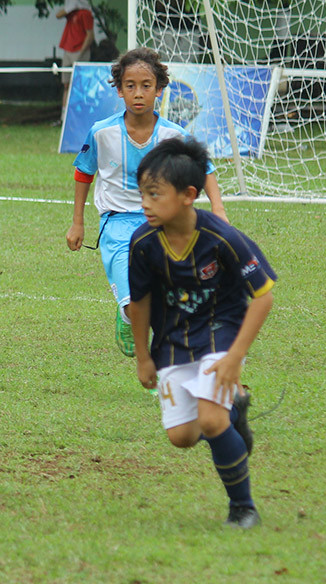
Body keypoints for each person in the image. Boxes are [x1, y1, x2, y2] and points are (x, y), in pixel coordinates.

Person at [128, 136, 276, 529]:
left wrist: (234, 358)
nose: (145, 203)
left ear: (189, 195)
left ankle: (243, 508)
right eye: (142, 192)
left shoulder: (222, 237)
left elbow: (262, 296)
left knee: (211, 422)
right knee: (181, 436)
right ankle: (234, 410)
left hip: (221, 331)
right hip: (173, 340)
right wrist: (143, 355)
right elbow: (139, 302)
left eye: (155, 194)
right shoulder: (142, 243)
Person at [66, 47, 227, 359]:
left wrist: (218, 209)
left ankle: (166, 359)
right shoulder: (101, 133)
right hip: (116, 223)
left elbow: (204, 168)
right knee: (134, 302)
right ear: (119, 89)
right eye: (130, 86)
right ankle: (128, 317)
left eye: (146, 86)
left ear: (159, 90)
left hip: (162, 223)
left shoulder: (174, 136)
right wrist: (78, 222)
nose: (138, 93)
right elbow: (83, 172)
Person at [56, 0, 94, 121]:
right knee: (66, 84)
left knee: (79, 85)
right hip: (68, 50)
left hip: (80, 51)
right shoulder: (70, 12)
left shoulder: (86, 13)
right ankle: (63, 117)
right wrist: (68, 9)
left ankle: (80, 117)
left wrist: (82, 52)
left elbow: (90, 35)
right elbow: (58, 15)